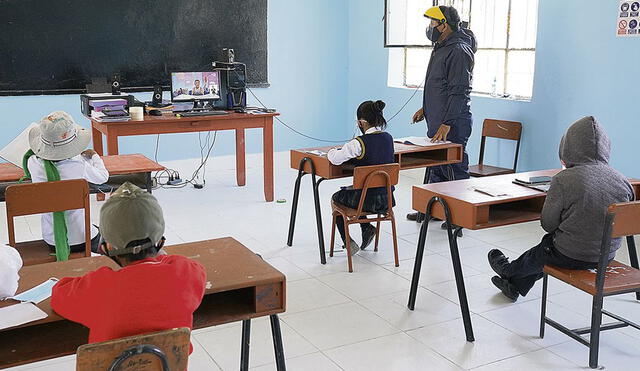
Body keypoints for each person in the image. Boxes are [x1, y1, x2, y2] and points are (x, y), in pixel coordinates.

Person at [488, 116, 635, 301]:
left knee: (546, 248)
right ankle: (515, 286)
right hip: (606, 257)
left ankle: (508, 271)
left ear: (568, 147)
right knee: (549, 251)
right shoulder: (623, 181)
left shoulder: (563, 179)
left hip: (571, 256)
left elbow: (548, 224)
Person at [51, 182, 207, 353]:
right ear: (160, 240)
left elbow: (58, 296)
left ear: (107, 246)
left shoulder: (99, 287)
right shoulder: (185, 273)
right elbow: (191, 267)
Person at [407, 5, 477, 223]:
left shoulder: (458, 50)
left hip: (453, 123)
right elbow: (438, 85)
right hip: (437, 121)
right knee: (436, 167)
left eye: (433, 23)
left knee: (454, 169)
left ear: (444, 25)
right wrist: (426, 108)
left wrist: (447, 122)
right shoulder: (442, 46)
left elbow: (460, 90)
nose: (430, 28)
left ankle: (459, 218)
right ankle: (432, 211)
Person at [23, 111, 109, 260]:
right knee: (103, 233)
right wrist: (94, 156)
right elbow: (103, 177)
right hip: (83, 238)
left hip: (53, 240)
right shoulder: (79, 165)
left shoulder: (33, 163)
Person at [327, 100, 396, 256]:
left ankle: (348, 241)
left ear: (361, 122)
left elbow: (336, 159)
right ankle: (367, 228)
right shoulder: (389, 138)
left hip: (366, 201)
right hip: (387, 200)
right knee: (359, 191)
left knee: (336, 198)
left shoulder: (358, 143)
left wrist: (331, 151)